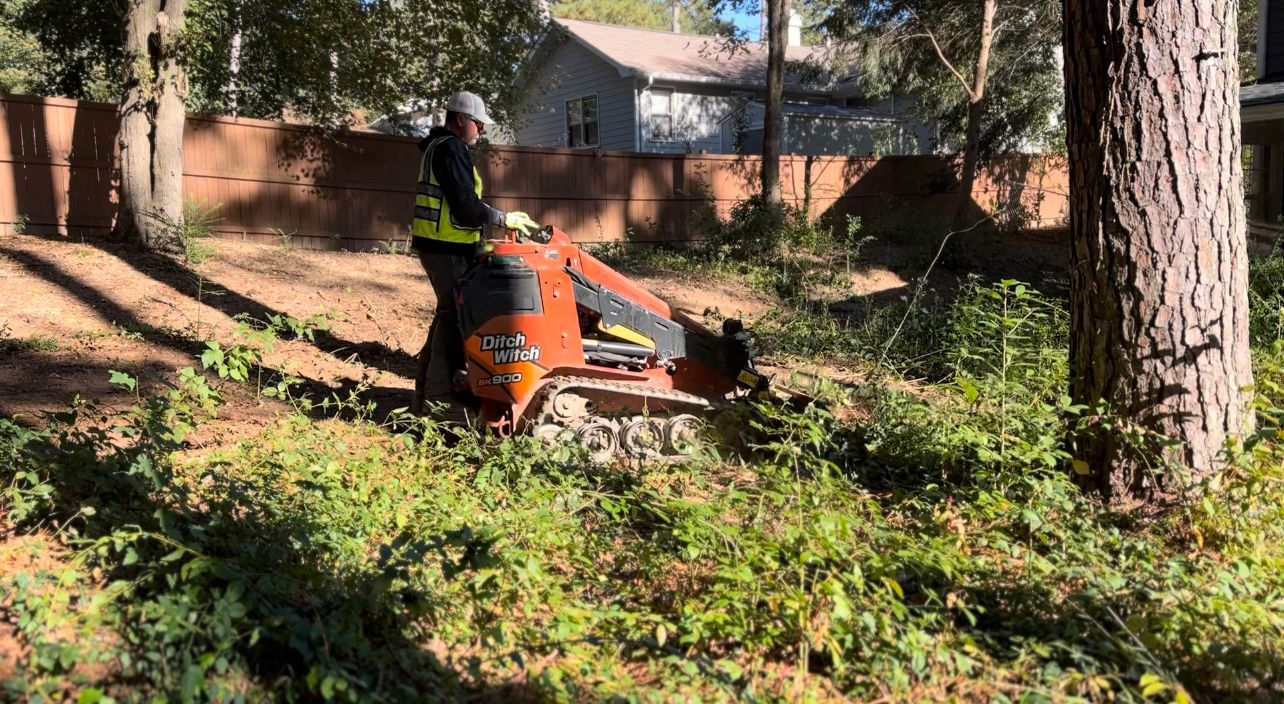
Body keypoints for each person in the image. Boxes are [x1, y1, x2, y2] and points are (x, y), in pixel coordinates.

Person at [409, 91, 538, 420]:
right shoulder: (451, 149)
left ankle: (424, 396)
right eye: (478, 124)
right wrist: (501, 218)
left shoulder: (438, 147)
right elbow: (466, 208)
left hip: (440, 246)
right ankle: (439, 405)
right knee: (454, 321)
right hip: (446, 250)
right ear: (461, 119)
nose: (480, 131)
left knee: (446, 317)